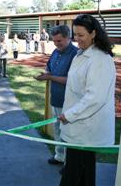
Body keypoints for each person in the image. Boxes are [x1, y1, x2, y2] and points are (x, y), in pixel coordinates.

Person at [59, 14, 116, 186]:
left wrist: (70, 115)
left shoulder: (100, 59)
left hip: (86, 129)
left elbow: (95, 98)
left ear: (93, 34)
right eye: (74, 35)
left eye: (81, 35)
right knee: (83, 175)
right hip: (79, 127)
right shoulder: (81, 54)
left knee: (73, 176)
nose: (76, 39)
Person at [35, 25, 77, 165]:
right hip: (56, 99)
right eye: (54, 41)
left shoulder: (76, 54)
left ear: (68, 37)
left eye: (59, 41)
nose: (56, 44)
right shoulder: (55, 51)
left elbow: (72, 81)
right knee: (58, 130)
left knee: (69, 133)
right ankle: (59, 156)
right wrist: (46, 74)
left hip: (70, 102)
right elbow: (50, 69)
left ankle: (69, 163)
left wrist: (50, 77)